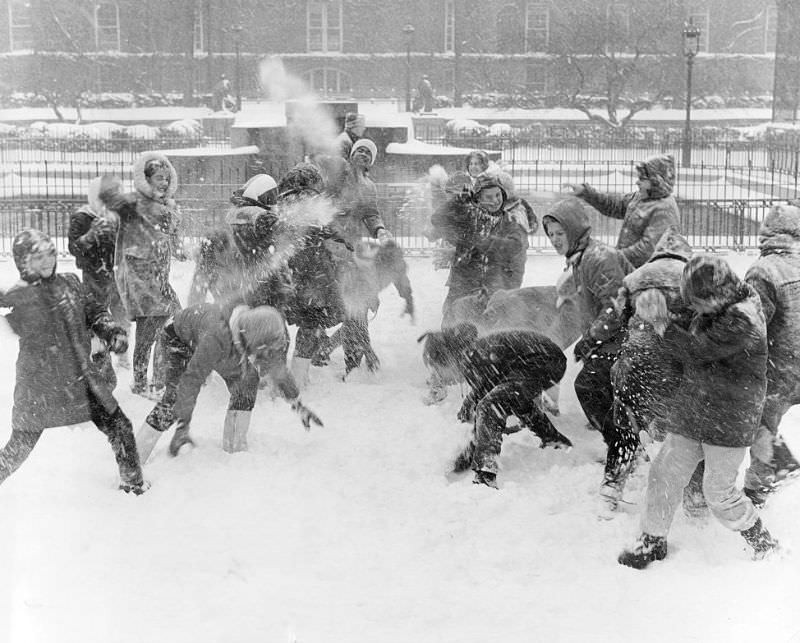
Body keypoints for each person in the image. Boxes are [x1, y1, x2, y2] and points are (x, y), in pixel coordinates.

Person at [618, 254, 779, 569]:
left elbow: (697, 348)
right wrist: (657, 314)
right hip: (694, 409)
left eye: (698, 302)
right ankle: (652, 540)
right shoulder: (719, 305)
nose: (695, 309)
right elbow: (688, 340)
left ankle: (762, 541)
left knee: (718, 493)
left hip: (730, 418)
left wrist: (663, 322)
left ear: (717, 294)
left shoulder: (743, 318)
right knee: (664, 473)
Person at [0, 229, 147, 494]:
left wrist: (111, 330)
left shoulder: (70, 282)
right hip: (42, 387)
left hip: (81, 382)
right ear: (23, 263)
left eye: (50, 254)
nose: (47, 261)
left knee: (120, 426)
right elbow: (28, 323)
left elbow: (94, 310)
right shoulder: (21, 299)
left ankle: (133, 483)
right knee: (19, 446)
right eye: (38, 258)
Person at [135, 304, 323, 462]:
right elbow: (190, 382)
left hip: (222, 344)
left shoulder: (249, 332)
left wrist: (298, 404)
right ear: (257, 341)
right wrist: (183, 425)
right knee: (173, 400)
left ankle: (234, 450)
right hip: (178, 339)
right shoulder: (216, 338)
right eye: (266, 349)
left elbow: (276, 366)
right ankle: (134, 464)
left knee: (248, 381)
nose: (267, 355)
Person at [542, 198, 636, 513]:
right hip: (610, 338)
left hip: (629, 337)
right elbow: (574, 312)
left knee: (590, 385)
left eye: (560, 232)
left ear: (575, 230)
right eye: (550, 234)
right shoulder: (579, 261)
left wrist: (591, 339)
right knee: (602, 391)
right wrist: (556, 342)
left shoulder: (598, 258)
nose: (555, 239)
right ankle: (624, 443)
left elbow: (616, 306)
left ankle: (624, 448)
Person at [101, 152, 186, 400]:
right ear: (145, 179)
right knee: (153, 327)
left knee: (169, 324)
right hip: (139, 278)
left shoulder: (165, 207)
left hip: (158, 278)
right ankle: (142, 381)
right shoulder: (136, 203)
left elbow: (170, 237)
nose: (164, 182)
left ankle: (157, 379)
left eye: (167, 178)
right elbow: (118, 215)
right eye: (159, 177)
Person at [449, 323, 572, 488]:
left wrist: (468, 451)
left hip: (539, 361)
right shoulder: (480, 350)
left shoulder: (472, 355)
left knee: (492, 404)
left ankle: (486, 473)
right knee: (514, 399)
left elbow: (484, 398)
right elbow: (483, 391)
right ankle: (554, 440)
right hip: (548, 360)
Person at [741, 203, 800, 505]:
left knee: (754, 418)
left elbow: (752, 324)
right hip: (796, 364)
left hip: (778, 365)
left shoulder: (764, 271)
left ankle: (770, 473)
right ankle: (765, 478)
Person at [611, 227, 692, 444]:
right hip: (673, 358)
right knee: (674, 424)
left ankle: (620, 468)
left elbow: (621, 315)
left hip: (637, 356)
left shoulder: (634, 277)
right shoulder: (688, 275)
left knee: (631, 418)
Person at [329, 138, 393, 374]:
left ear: (371, 161)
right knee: (347, 308)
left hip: (357, 249)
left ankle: (351, 358)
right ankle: (332, 349)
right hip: (332, 246)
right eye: (360, 150)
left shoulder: (369, 186)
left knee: (357, 305)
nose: (364, 154)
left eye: (369, 152)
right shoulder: (338, 175)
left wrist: (380, 229)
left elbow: (371, 213)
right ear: (351, 154)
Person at [187, 173, 291, 312]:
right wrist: (284, 292)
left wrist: (194, 306)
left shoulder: (227, 221)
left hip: (227, 300)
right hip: (261, 300)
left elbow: (202, 276)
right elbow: (278, 259)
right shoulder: (266, 219)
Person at [564, 154, 681, 268]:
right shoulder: (640, 198)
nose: (637, 182)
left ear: (657, 181)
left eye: (642, 179)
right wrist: (586, 192)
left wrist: (611, 258)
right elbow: (614, 205)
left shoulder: (664, 209)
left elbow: (646, 251)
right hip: (627, 268)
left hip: (645, 277)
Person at [68, 174, 131, 370]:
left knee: (121, 315)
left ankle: (122, 352)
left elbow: (127, 246)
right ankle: (100, 357)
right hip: (93, 275)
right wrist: (91, 235)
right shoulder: (82, 217)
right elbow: (74, 247)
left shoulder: (119, 218)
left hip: (117, 275)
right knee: (97, 317)